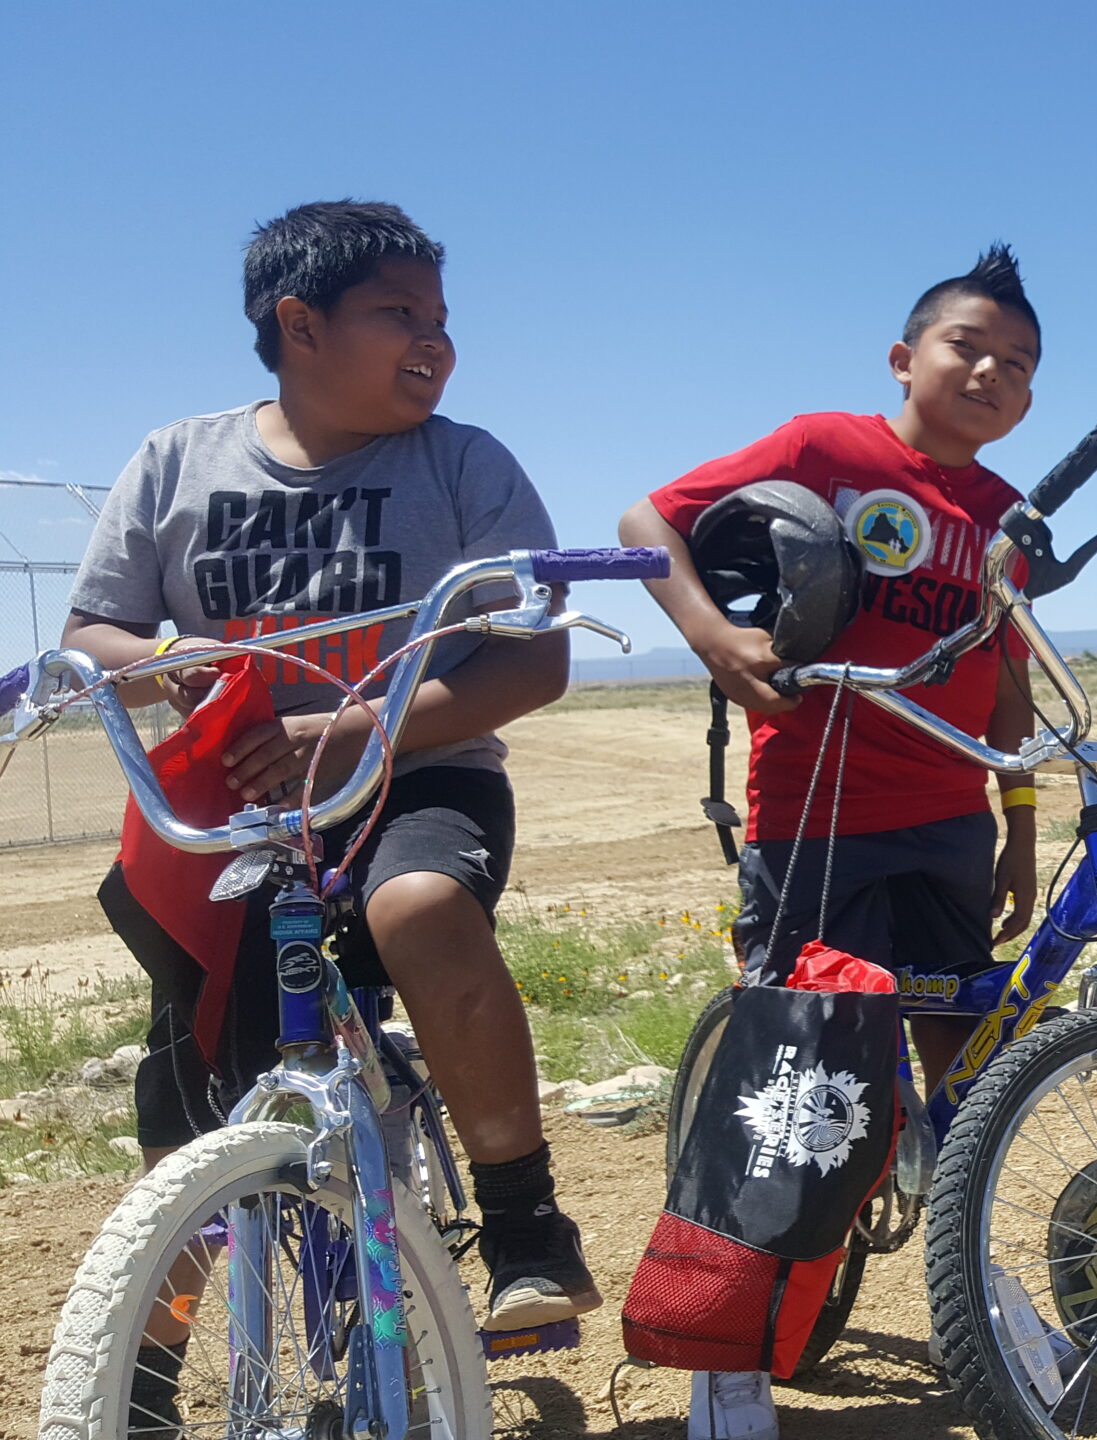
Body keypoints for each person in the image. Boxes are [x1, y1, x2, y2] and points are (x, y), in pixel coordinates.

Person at [64, 200, 599, 1373]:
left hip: (420, 780)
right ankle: (137, 1371)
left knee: (421, 911)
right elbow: (97, 628)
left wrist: (363, 725)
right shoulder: (176, 461)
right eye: (399, 312)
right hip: (243, 805)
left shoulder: (462, 462)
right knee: (194, 1081)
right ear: (298, 324)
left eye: (442, 317)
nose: (436, 339)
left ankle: (522, 1225)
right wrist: (174, 668)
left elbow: (535, 656)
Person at [617, 244, 1045, 1438]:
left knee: (972, 1073)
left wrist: (1016, 822)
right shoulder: (824, 448)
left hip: (953, 823)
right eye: (970, 347)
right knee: (797, 1080)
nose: (991, 374)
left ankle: (982, 1296)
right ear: (906, 357)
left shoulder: (1005, 513)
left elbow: (1004, 665)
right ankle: (729, 1353)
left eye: (1018, 365)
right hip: (820, 816)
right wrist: (714, 639)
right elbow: (648, 518)